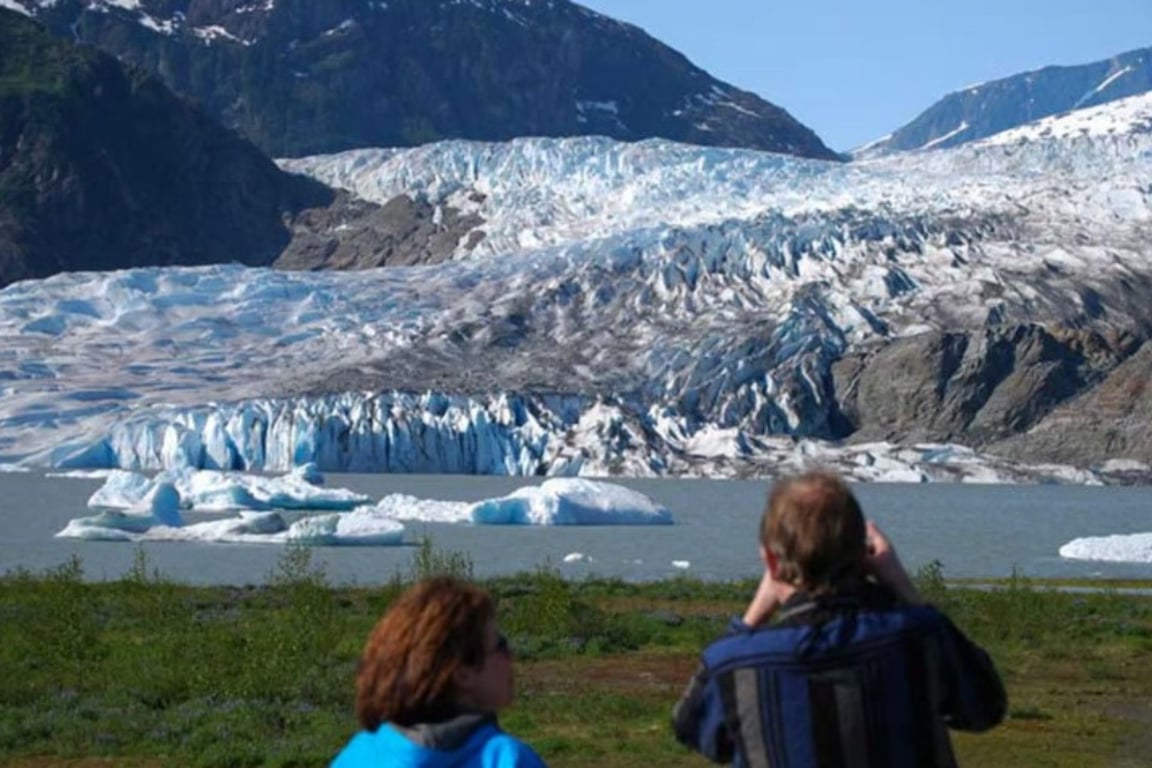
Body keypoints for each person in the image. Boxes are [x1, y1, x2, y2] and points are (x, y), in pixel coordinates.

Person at [672, 470, 1006, 767]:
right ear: (866, 555)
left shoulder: (733, 663)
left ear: (772, 565)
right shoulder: (919, 636)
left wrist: (749, 622)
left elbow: (692, 729)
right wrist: (905, 589)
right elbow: (985, 707)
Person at [332, 575, 547, 768]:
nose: (510, 656)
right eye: (501, 645)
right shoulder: (505, 759)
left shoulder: (358, 756)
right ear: (462, 671)